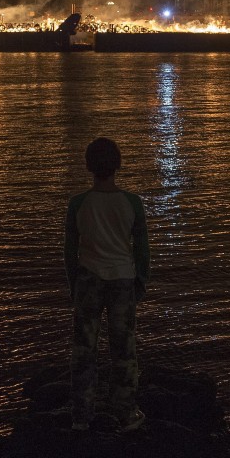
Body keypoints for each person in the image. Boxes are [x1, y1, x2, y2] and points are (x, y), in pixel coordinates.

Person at [64, 137, 151, 433]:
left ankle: (81, 415)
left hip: (88, 279)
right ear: (118, 165)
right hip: (122, 280)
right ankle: (126, 412)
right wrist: (141, 280)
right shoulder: (132, 204)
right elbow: (142, 249)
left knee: (84, 349)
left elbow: (69, 250)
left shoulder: (78, 204)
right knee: (124, 350)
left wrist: (73, 284)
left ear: (89, 166)